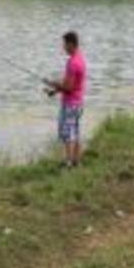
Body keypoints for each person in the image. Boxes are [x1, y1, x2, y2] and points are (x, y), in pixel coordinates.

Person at [44, 31, 87, 168]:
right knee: (75, 132)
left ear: (71, 44)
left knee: (67, 134)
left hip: (70, 104)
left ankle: (68, 163)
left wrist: (52, 83)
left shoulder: (73, 63)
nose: (63, 47)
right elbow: (71, 84)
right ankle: (76, 161)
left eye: (65, 44)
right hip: (78, 102)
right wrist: (54, 91)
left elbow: (68, 87)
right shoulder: (80, 58)